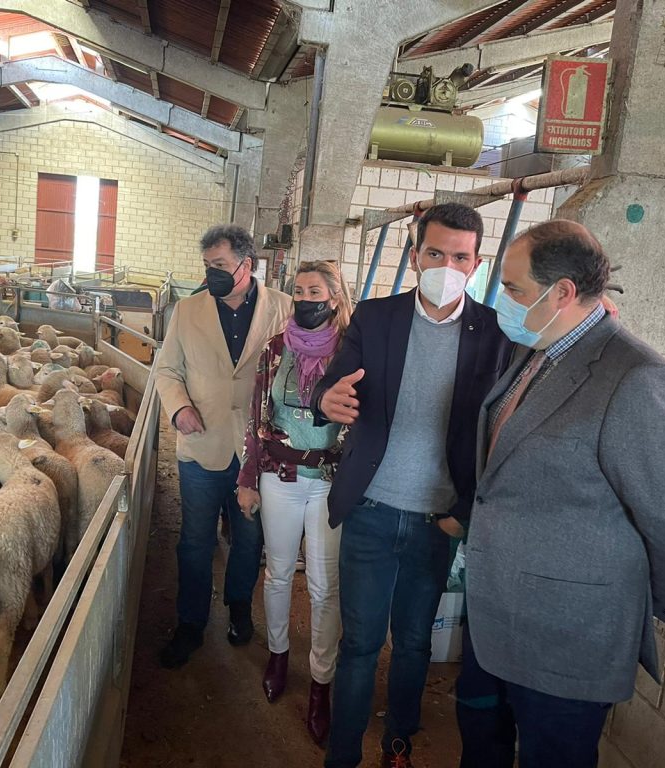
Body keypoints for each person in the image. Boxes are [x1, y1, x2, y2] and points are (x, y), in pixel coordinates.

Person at [456, 220, 665, 768]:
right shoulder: (539, 349)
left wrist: (626, 606)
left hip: (569, 633)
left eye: (515, 289)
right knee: (481, 744)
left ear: (562, 293)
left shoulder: (637, 379)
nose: (503, 300)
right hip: (496, 614)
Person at [312, 203, 515, 768]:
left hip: (436, 519)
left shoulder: (496, 334)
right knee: (359, 643)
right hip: (372, 510)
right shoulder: (376, 319)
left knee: (415, 644)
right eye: (434, 253)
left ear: (476, 264)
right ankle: (343, 754)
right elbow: (329, 387)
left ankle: (397, 742)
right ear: (414, 255)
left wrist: (464, 511)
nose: (445, 265)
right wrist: (325, 401)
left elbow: (502, 432)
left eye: (459, 256)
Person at [154, 224, 292, 669]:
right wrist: (178, 409)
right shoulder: (188, 310)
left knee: (249, 538)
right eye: (207, 266)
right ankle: (191, 623)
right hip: (201, 445)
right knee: (195, 540)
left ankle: (238, 609)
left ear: (246, 265)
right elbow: (167, 371)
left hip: (256, 450)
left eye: (219, 266)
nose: (211, 273)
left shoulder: (283, 309)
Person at [236, 260, 353, 747]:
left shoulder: (352, 351)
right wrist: (248, 476)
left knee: (326, 586)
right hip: (279, 475)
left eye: (316, 291)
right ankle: (279, 654)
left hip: (329, 479)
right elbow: (257, 417)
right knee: (280, 571)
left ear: (334, 297)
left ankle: (321, 684)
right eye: (299, 291)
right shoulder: (274, 350)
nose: (306, 299)